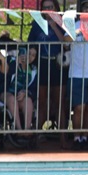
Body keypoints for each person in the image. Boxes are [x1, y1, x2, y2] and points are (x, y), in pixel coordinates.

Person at [29, 0, 68, 131]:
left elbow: (66, 44)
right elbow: (31, 43)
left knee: (59, 103)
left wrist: (55, 26)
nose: (48, 10)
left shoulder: (63, 23)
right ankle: (37, 135)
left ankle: (62, 136)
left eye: (51, 7)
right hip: (43, 63)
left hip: (58, 64)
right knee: (42, 102)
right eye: (45, 8)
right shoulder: (37, 24)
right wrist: (32, 51)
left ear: (56, 8)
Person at [65, 0, 88, 148]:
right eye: (85, 9)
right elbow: (65, 40)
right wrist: (78, 32)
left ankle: (85, 137)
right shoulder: (75, 25)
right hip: (76, 73)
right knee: (79, 107)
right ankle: (77, 137)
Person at [2, 44, 39, 136]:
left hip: (20, 96)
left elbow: (34, 90)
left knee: (28, 100)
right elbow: (4, 74)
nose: (30, 57)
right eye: (29, 53)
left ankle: (27, 129)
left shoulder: (34, 70)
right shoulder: (11, 60)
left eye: (33, 55)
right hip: (5, 92)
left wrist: (26, 92)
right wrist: (16, 63)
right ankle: (18, 129)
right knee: (12, 99)